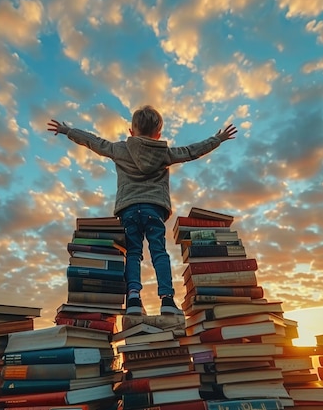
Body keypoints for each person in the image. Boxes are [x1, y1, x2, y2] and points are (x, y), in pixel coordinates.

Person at [47, 105, 237, 316]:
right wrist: (217, 139)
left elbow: (94, 142)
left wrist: (68, 131)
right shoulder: (164, 153)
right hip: (154, 209)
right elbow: (192, 151)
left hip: (128, 209)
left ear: (131, 131)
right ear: (158, 134)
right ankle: (166, 300)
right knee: (159, 252)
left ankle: (134, 299)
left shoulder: (120, 149)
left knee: (134, 254)